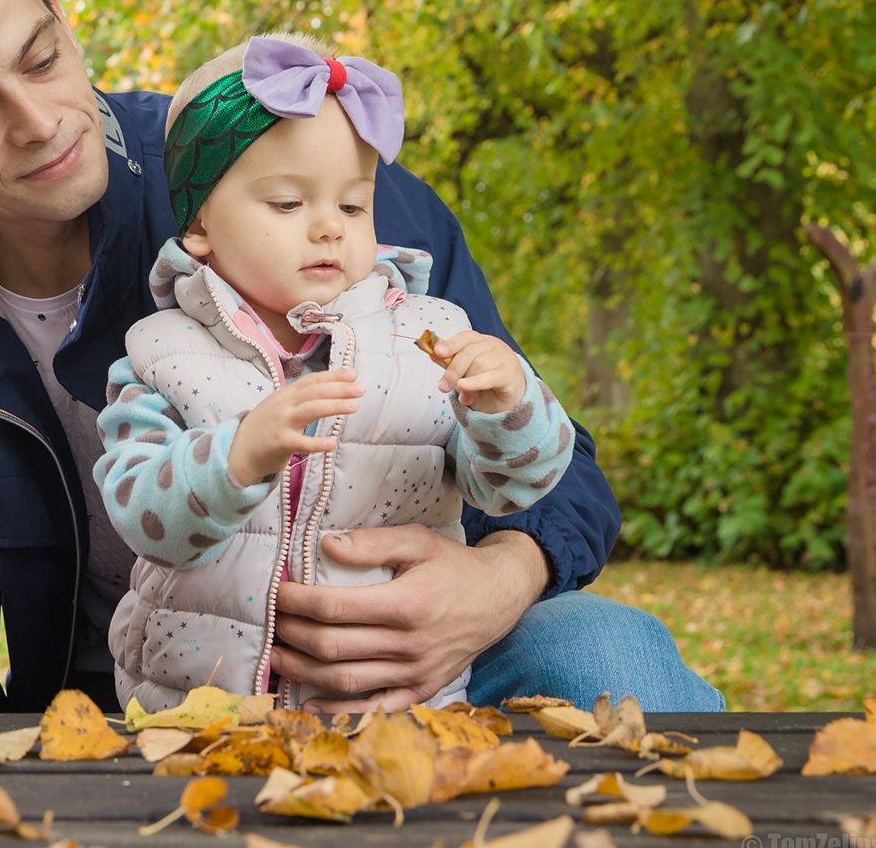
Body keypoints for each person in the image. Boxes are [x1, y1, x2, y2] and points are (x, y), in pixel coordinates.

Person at [0, 0, 723, 715]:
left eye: (42, 59)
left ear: (57, 9)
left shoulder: (297, 173)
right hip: (150, 697)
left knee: (606, 650)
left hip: (442, 666)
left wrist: (496, 582)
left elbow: (561, 472)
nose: (41, 120)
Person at [98, 35, 575, 713]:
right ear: (200, 223)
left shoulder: (424, 337)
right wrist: (236, 456)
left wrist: (508, 407)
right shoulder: (162, 354)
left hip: (397, 710)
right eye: (288, 204)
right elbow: (144, 515)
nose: (328, 228)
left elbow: (507, 490)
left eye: (352, 206)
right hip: (198, 715)